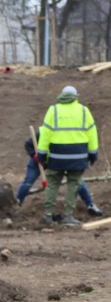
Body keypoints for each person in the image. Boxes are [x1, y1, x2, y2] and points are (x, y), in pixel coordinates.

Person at [37, 85, 100, 226]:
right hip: (78, 155)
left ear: (62, 95)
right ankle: (68, 216)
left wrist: (42, 154)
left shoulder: (53, 110)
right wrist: (93, 154)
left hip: (57, 156)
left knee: (53, 184)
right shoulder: (84, 111)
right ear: (76, 96)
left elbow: (45, 134)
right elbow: (92, 133)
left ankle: (48, 215)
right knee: (73, 184)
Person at [15, 128, 102, 217]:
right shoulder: (43, 131)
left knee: (76, 180)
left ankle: (90, 204)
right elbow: (28, 145)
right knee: (28, 181)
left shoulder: (67, 134)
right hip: (39, 160)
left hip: (56, 161)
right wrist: (34, 155)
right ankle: (16, 205)